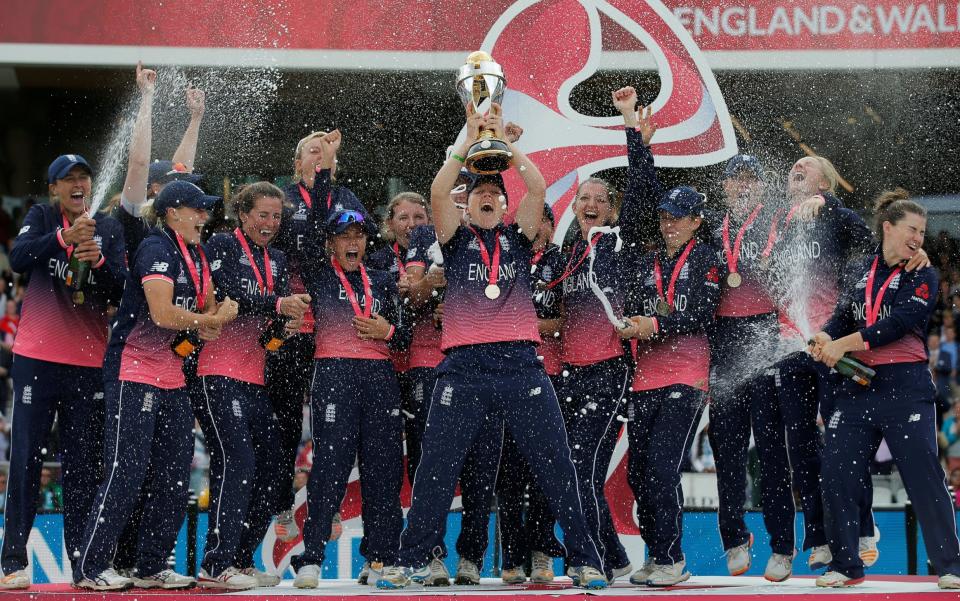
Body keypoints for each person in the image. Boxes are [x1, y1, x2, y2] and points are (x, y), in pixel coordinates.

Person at [377, 101, 607, 590]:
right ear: (470, 204)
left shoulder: (520, 240)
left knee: (555, 463)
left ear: (504, 206)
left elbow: (540, 188)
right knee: (437, 468)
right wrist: (468, 139)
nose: (486, 198)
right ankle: (411, 559)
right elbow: (440, 188)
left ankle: (586, 559)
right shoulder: (455, 240)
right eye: (479, 192)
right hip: (463, 366)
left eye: (493, 194)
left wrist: (506, 145)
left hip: (521, 364)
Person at [72, 180, 238, 591]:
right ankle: (90, 568)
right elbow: (163, 314)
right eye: (197, 209)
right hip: (134, 369)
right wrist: (211, 321)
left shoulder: (196, 254)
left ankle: (149, 566)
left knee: (174, 473)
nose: (204, 216)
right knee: (125, 469)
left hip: (173, 374)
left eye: (206, 209)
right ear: (172, 212)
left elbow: (208, 310)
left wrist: (221, 313)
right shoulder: (156, 248)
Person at [810, 189, 960, 589]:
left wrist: (842, 344)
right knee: (836, 472)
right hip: (857, 385)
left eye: (924, 232)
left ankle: (950, 566)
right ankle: (846, 565)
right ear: (888, 227)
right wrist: (824, 336)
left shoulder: (923, 274)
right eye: (913, 229)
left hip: (905, 386)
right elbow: (843, 314)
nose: (919, 238)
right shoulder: (861, 269)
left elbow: (898, 324)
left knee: (923, 473)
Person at [0, 154, 126, 591]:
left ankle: (83, 565)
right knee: (26, 459)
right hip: (37, 358)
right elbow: (18, 257)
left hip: (89, 364)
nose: (77, 185)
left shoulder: (107, 227)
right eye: (67, 179)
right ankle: (13, 562)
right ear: (53, 188)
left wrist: (101, 264)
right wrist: (62, 237)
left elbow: (124, 290)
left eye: (83, 178)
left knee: (83, 468)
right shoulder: (40, 216)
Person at [548, 86, 657, 581]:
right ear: (573, 210)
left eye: (598, 199)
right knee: (571, 470)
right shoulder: (566, 257)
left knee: (581, 467)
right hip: (569, 375)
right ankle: (609, 558)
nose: (589, 205)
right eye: (582, 199)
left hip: (610, 372)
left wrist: (634, 132)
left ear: (610, 210)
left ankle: (587, 558)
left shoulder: (622, 242)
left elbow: (640, 192)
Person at [194, 182, 311, 589]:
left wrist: (285, 327)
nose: (270, 223)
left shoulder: (277, 260)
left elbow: (267, 335)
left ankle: (240, 560)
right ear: (243, 214)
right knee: (238, 463)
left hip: (253, 377)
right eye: (262, 214)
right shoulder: (223, 245)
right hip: (215, 373)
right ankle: (215, 562)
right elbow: (226, 296)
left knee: (274, 469)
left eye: (277, 216)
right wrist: (279, 305)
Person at [290, 205, 408, 589]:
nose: (353, 242)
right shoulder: (320, 276)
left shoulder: (383, 280)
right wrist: (324, 171)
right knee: (330, 467)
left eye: (358, 236)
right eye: (344, 237)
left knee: (384, 470)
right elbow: (305, 231)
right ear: (330, 244)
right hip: (334, 371)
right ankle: (310, 557)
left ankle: (381, 558)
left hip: (379, 375)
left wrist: (386, 330)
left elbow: (405, 336)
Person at [620, 187, 721, 586]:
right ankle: (656, 552)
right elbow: (640, 306)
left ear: (696, 221)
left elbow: (701, 313)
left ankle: (673, 558)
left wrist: (655, 324)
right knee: (638, 473)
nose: (669, 224)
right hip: (645, 377)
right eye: (664, 216)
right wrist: (633, 323)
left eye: (678, 217)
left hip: (687, 374)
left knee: (662, 469)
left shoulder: (707, 259)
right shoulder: (650, 260)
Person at [268, 129, 366, 541]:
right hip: (291, 327)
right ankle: (280, 503)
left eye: (327, 153)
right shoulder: (281, 200)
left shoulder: (345, 199)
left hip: (334, 328)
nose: (321, 156)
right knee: (286, 420)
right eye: (313, 150)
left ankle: (327, 505)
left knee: (332, 423)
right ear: (297, 163)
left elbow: (368, 243)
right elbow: (283, 246)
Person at [497, 203, 568, 584]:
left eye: (539, 220)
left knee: (544, 469)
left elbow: (565, 322)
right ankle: (511, 554)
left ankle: (541, 551)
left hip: (548, 376)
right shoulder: (507, 259)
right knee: (509, 473)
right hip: (507, 377)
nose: (531, 227)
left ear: (551, 226)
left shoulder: (562, 261)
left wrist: (523, 324)